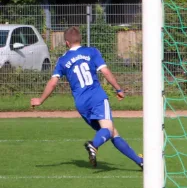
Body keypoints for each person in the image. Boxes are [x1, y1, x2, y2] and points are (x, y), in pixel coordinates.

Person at [30, 26, 143, 170]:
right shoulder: (91, 52)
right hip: (97, 97)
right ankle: (93, 145)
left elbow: (53, 83)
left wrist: (40, 100)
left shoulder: (63, 60)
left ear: (66, 43)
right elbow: (106, 72)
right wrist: (118, 89)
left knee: (111, 132)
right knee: (108, 129)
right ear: (80, 39)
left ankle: (139, 161)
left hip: (81, 103)